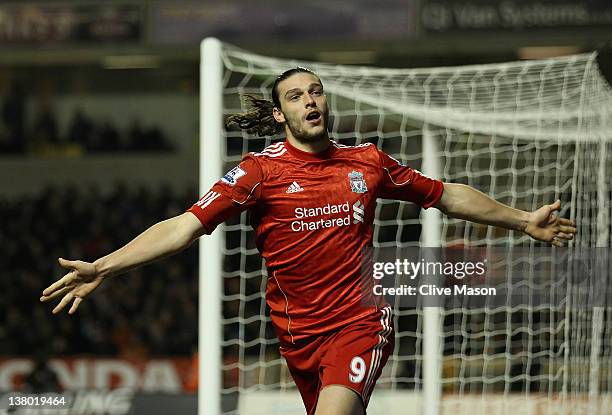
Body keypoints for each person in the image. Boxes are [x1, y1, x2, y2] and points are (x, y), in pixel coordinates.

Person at [40, 67, 577, 415]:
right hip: (298, 336)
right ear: (280, 114)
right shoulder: (258, 173)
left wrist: (521, 219)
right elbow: (182, 227)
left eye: (315, 91)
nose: (309, 101)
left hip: (361, 321)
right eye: (295, 97)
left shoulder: (367, 162)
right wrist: (105, 267)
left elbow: (445, 195)